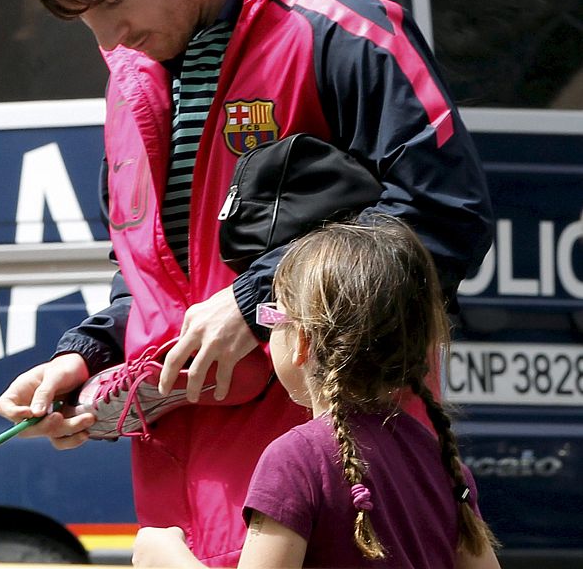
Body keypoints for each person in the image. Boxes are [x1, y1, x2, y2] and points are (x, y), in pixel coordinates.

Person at [0, 0, 494, 566]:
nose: (107, 34)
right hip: (184, 504)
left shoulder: (344, 34)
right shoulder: (128, 80)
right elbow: (155, 275)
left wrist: (259, 305)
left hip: (334, 494)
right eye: (81, 18)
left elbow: (445, 218)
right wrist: (87, 355)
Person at [132, 218, 501, 569]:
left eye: (273, 316)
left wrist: (165, 558)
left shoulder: (294, 461)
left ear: (302, 342)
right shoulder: (445, 467)